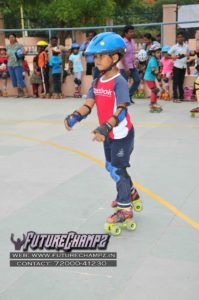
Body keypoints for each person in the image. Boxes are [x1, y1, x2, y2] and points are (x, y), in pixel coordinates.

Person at [64, 32, 143, 236]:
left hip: (122, 134)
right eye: (95, 56)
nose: (96, 60)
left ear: (115, 58)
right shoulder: (98, 81)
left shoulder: (119, 81)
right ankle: (131, 192)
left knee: (118, 169)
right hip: (108, 135)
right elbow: (88, 104)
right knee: (111, 167)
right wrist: (75, 116)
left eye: (101, 56)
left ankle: (125, 209)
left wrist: (105, 127)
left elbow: (122, 109)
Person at [118, 25, 140, 103]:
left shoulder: (133, 41)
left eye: (133, 31)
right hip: (124, 67)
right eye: (130, 32)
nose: (132, 33)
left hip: (132, 66)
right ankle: (123, 100)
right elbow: (121, 56)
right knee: (124, 84)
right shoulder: (122, 42)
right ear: (125, 33)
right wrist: (126, 67)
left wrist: (136, 62)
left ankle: (129, 95)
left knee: (137, 80)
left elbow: (133, 53)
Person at [168, 32, 189, 102]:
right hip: (176, 66)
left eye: (181, 37)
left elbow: (188, 55)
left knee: (181, 82)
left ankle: (181, 97)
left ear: (183, 38)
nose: (180, 38)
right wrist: (173, 57)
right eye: (178, 37)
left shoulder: (186, 46)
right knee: (176, 82)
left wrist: (188, 57)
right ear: (177, 39)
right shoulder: (174, 47)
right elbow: (167, 55)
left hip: (183, 66)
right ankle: (175, 97)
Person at [6, 33, 29, 97]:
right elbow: (7, 55)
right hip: (10, 64)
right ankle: (17, 94)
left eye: (12, 37)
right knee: (13, 79)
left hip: (18, 64)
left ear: (15, 38)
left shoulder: (19, 45)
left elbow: (24, 52)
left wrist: (22, 53)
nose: (11, 38)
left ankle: (26, 93)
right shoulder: (7, 46)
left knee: (19, 79)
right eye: (10, 37)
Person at [144, 44, 163, 112]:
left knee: (155, 90)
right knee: (154, 90)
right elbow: (153, 71)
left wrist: (159, 74)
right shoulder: (153, 60)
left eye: (159, 52)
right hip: (149, 78)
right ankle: (152, 104)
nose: (159, 54)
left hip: (151, 78)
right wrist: (159, 74)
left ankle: (154, 103)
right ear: (153, 53)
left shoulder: (155, 59)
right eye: (157, 52)